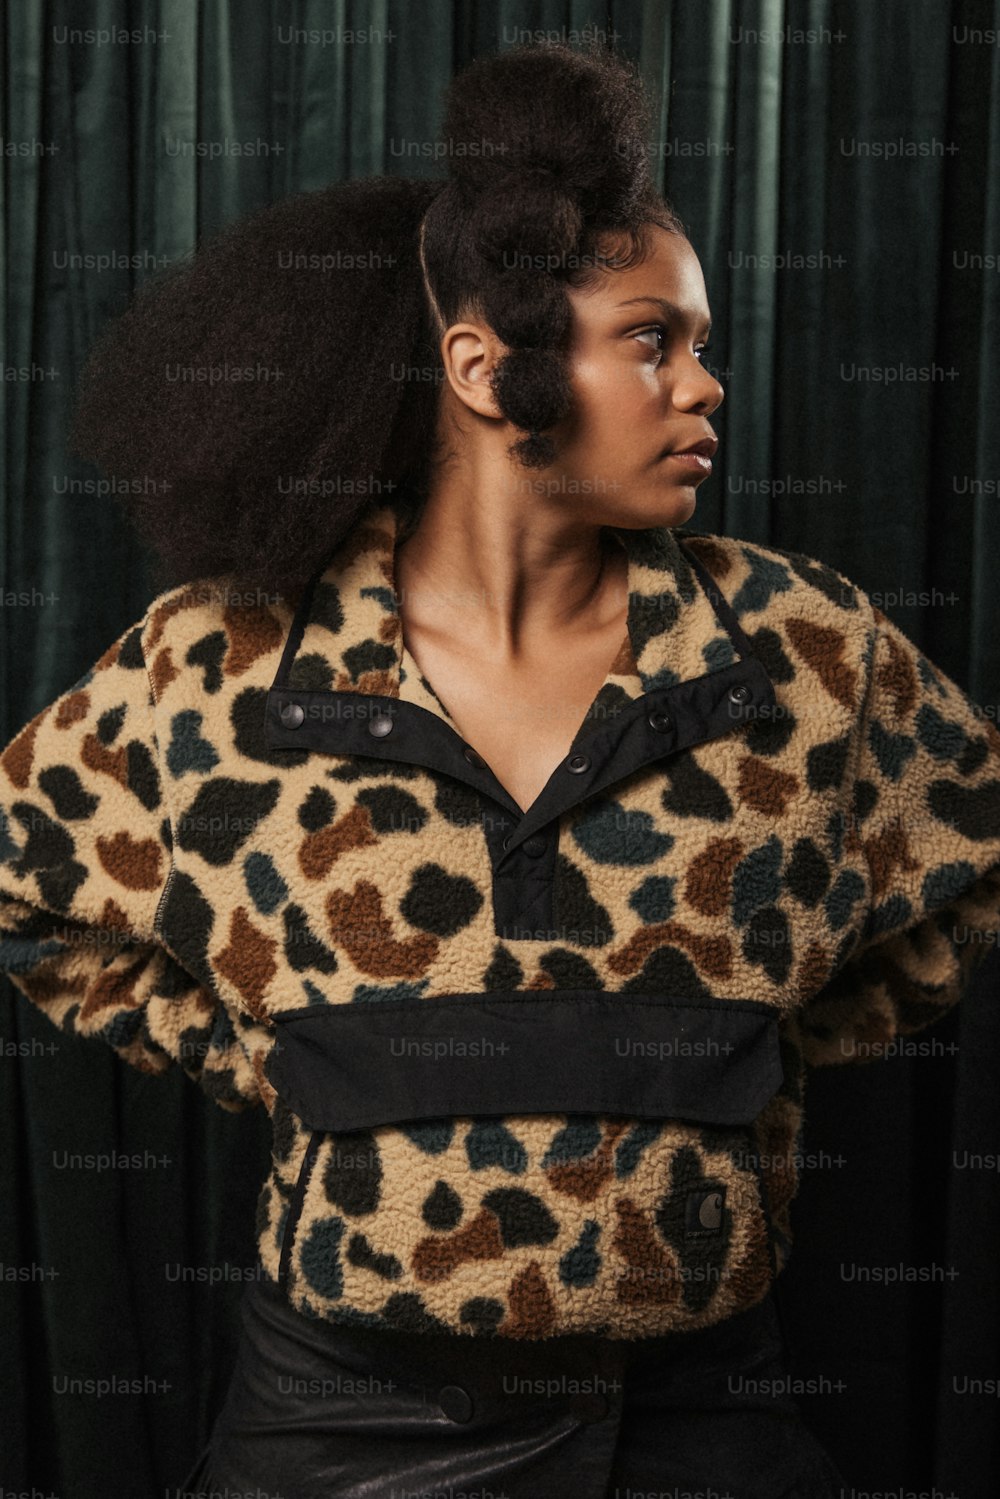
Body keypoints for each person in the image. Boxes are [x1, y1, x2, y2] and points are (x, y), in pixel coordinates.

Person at [2, 38, 998, 1499]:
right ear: (485, 365)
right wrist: (274, 1054)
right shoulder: (221, 665)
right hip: (342, 1436)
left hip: (700, 1426)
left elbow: (962, 889)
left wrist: (748, 1042)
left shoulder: (802, 653)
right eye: (655, 340)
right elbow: (31, 887)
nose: (703, 387)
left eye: (703, 344)